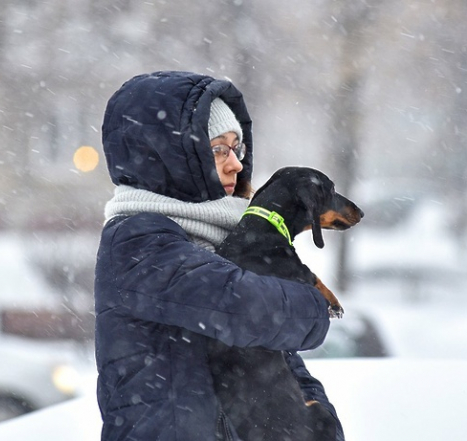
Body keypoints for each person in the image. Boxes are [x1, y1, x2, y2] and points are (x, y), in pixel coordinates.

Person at [94, 70, 345, 441]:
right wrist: (314, 301)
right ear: (169, 156)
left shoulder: (227, 238)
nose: (236, 164)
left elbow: (280, 362)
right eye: (217, 149)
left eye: (237, 147)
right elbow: (244, 309)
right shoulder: (138, 242)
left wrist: (319, 420)